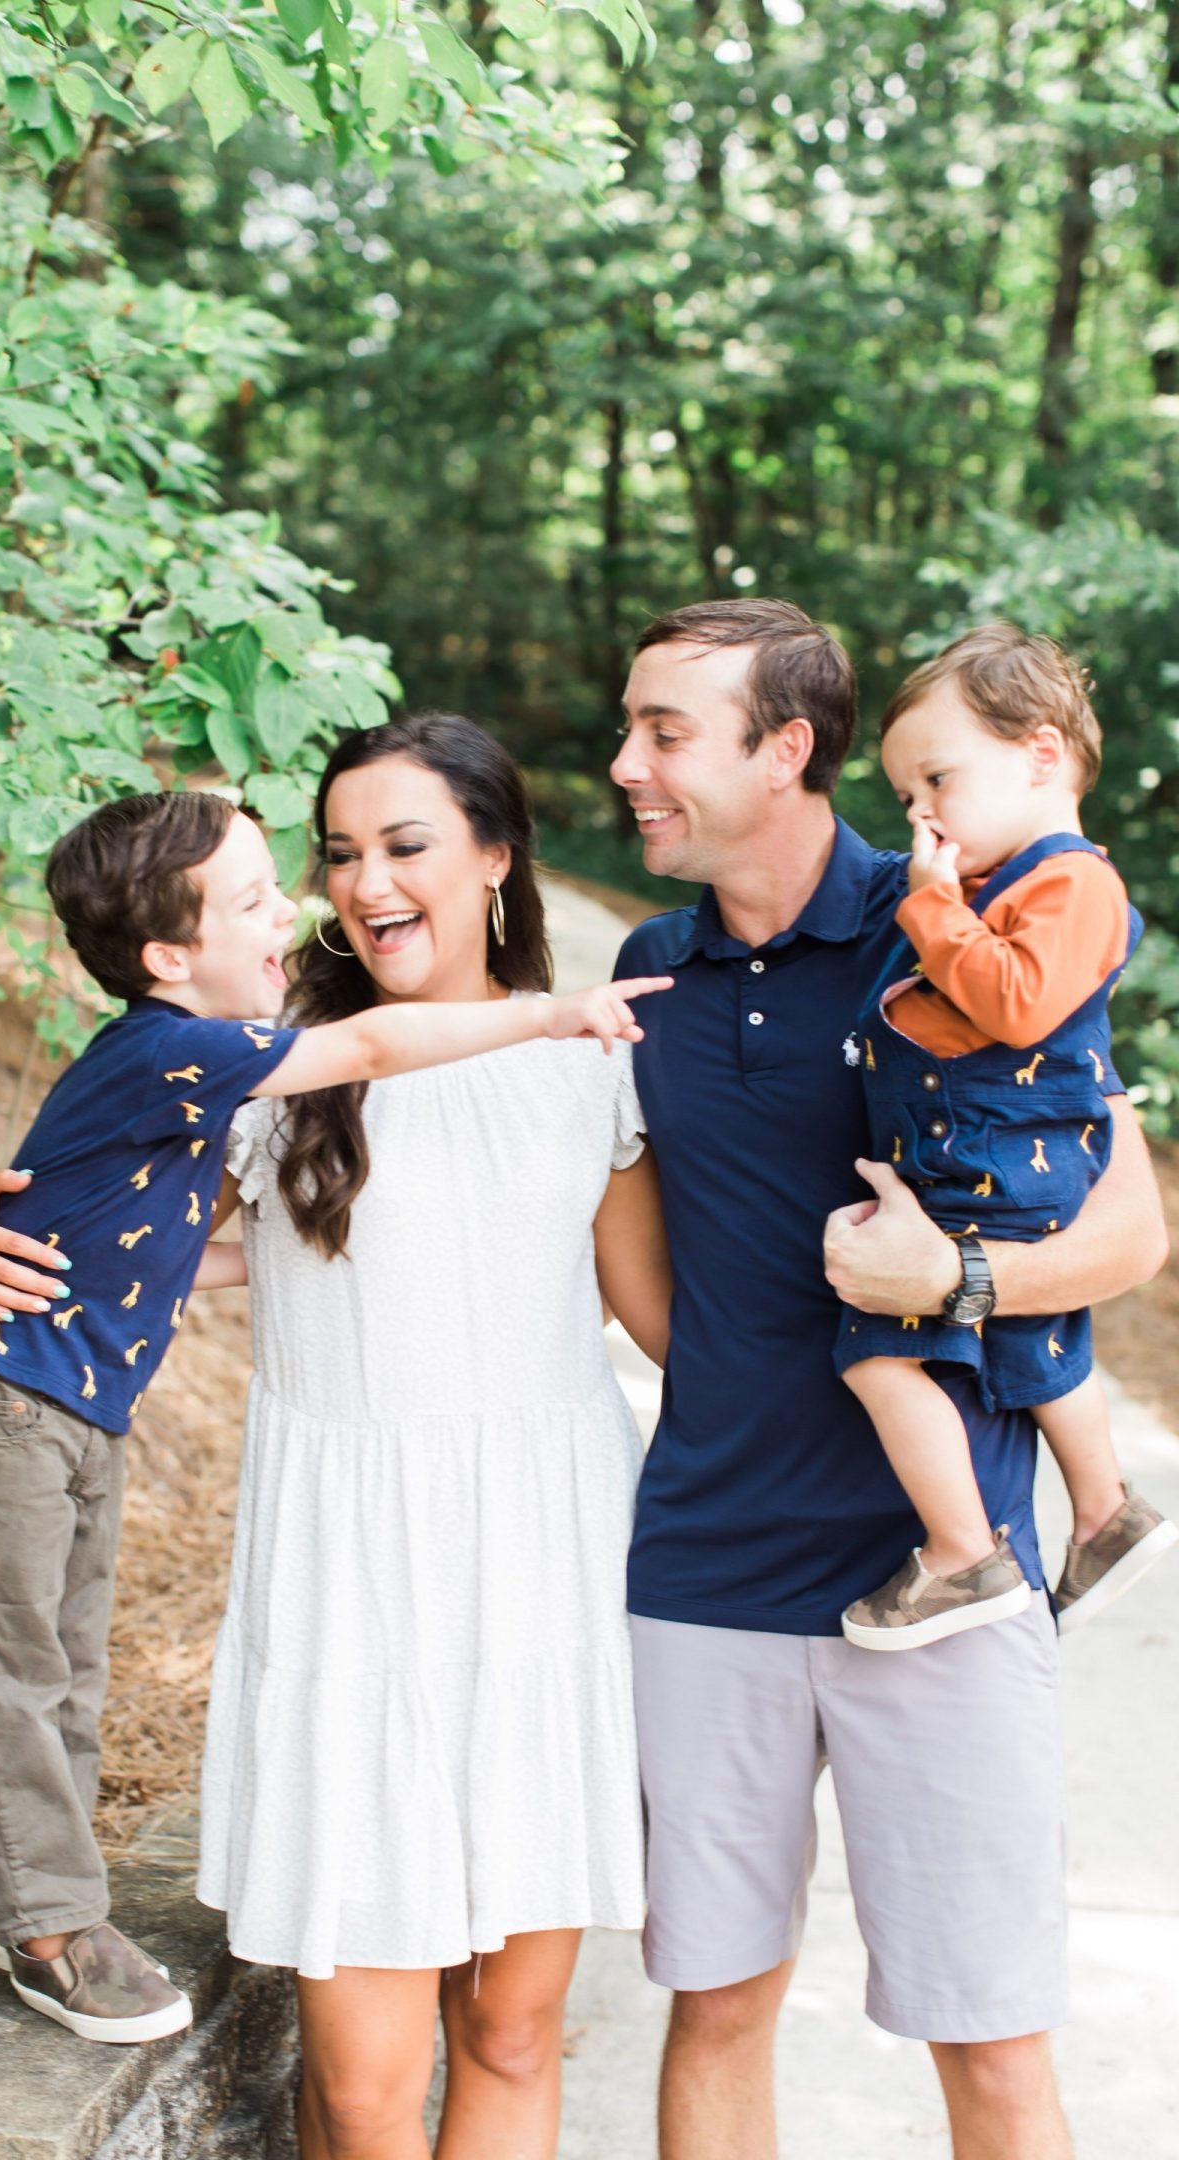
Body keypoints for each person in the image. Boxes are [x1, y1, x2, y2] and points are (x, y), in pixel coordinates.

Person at [0, 714, 674, 2159]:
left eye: (405, 845)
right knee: (363, 2093)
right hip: (351, 1586)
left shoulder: (596, 1069)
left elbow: (665, 1331)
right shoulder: (272, 1067)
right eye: (336, 853)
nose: (361, 882)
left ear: (499, 857)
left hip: (543, 1572)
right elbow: (79, 1213)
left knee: (511, 2036)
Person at [610, 598, 1167, 2160]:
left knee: (987, 2041)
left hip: (947, 1577)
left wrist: (960, 1286)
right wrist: (730, 1381)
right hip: (708, 1568)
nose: (625, 763)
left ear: (786, 749)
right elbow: (638, 1264)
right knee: (716, 2004)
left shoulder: (960, 918)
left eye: (663, 732)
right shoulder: (648, 976)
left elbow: (1126, 1223)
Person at [835, 625, 1175, 1649]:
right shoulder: (1009, 887)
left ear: (1039, 753)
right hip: (987, 1158)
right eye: (905, 797)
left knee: (877, 1352)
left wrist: (934, 908)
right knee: (1033, 1339)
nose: (920, 812)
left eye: (938, 777)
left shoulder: (1073, 884)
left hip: (998, 1161)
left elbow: (1017, 1005)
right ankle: (1105, 1513)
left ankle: (959, 1552)